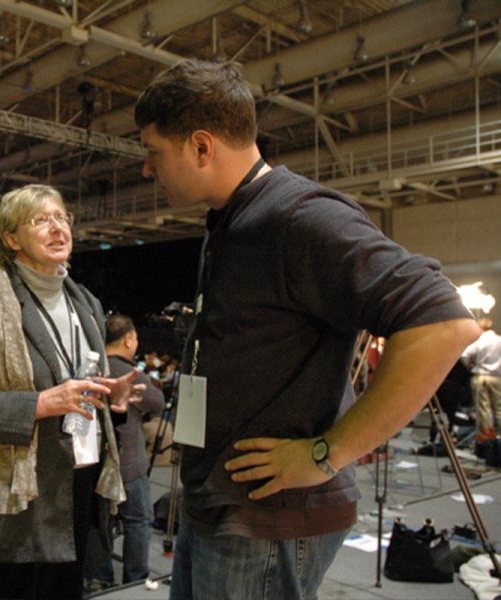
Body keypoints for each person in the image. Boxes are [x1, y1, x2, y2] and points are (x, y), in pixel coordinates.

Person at [134, 59, 480, 600]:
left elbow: (443, 323)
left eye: (153, 152)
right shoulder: (232, 220)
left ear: (201, 147)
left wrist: (328, 453)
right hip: (222, 505)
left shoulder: (298, 216)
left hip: (267, 521)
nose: (146, 170)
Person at [0, 184, 140, 600]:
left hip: (75, 490)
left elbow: (81, 384)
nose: (58, 228)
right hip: (10, 507)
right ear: (11, 238)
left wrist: (110, 402)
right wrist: (41, 404)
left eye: (62, 217)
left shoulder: (87, 304)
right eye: (41, 220)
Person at [84, 315, 164, 590]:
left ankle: (98, 579)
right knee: (138, 521)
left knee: (98, 522)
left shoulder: (91, 367)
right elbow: (157, 402)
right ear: (128, 339)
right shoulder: (132, 373)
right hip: (129, 462)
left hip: (94, 460)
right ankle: (135, 581)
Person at [460, 317, 501, 446]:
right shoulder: (499, 340)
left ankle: (487, 438)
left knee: (484, 409)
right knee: (500, 408)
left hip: (481, 376)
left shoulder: (479, 341)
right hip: (497, 377)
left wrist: (470, 366)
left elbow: (465, 355)